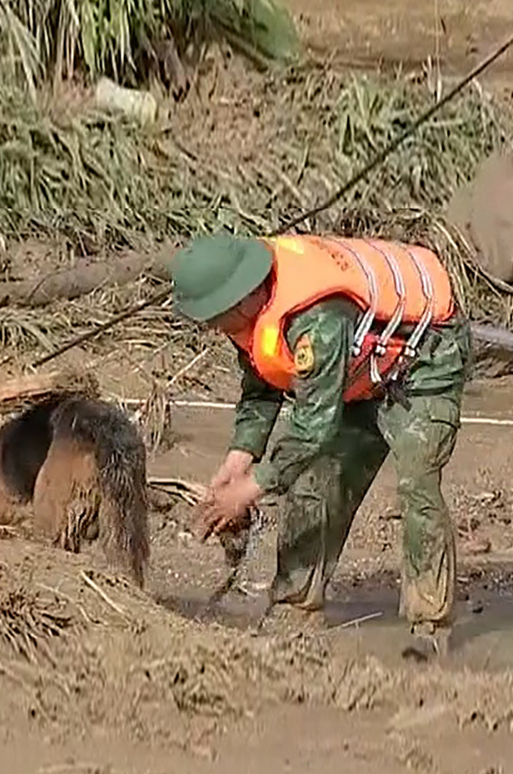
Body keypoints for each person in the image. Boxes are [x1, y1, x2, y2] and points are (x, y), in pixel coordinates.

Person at [169, 232, 472, 662]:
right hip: (358, 371)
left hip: (423, 361)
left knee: (417, 485)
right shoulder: (251, 311)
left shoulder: (317, 317)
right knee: (313, 482)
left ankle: (431, 627)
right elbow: (262, 385)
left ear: (239, 300)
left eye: (217, 320)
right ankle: (295, 608)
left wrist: (249, 489)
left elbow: (313, 427)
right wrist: (240, 457)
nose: (216, 330)